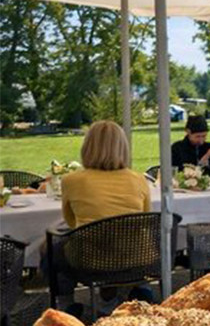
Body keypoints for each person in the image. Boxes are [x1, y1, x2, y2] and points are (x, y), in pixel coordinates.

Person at [46, 121, 152, 311]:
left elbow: (71, 222)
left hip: (91, 258)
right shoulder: (139, 179)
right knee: (125, 243)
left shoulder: (71, 180)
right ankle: (136, 287)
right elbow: (145, 217)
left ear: (87, 147)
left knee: (51, 248)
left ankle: (66, 302)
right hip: (136, 256)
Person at [171, 115, 210, 181]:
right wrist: (205, 158)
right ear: (188, 132)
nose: (201, 140)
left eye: (204, 136)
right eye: (197, 136)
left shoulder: (209, 147)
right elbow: (177, 172)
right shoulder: (177, 148)